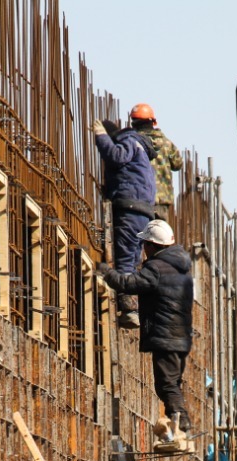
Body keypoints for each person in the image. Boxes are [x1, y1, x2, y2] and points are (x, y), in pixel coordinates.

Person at [98, 219, 193, 433]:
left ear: (152, 246)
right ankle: (176, 425)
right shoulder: (181, 269)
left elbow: (130, 284)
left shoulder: (156, 267)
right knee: (172, 383)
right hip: (181, 337)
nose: (143, 250)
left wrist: (106, 272)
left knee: (166, 385)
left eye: (144, 245)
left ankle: (181, 424)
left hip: (165, 336)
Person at [92, 114, 156, 328]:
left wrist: (101, 137)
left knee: (126, 259)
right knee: (134, 257)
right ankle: (132, 305)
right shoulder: (141, 150)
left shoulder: (128, 141)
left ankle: (129, 308)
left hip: (130, 208)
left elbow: (115, 156)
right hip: (142, 210)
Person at [129, 103, 183, 221]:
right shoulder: (166, 144)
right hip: (161, 200)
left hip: (140, 199)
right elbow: (178, 164)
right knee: (160, 235)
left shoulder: (132, 143)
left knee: (141, 235)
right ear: (153, 122)